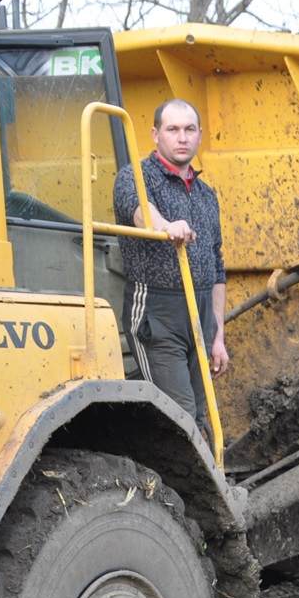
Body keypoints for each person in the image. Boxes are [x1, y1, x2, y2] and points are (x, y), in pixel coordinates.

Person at [113, 98, 228, 432]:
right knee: (181, 415)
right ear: (155, 134)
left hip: (202, 312)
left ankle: (202, 484)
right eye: (173, 129)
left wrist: (218, 335)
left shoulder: (206, 194)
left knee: (202, 417)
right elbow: (141, 211)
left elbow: (217, 265)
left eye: (189, 129)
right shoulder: (135, 175)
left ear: (200, 135)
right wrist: (166, 226)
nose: (182, 137)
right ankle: (168, 485)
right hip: (158, 312)